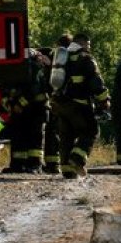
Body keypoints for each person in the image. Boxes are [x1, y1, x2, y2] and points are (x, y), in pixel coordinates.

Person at [51, 33, 109, 179]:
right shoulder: (85, 57)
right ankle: (77, 159)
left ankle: (67, 170)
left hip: (60, 104)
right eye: (88, 45)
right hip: (79, 104)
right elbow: (96, 81)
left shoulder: (61, 57)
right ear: (83, 43)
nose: (89, 48)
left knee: (66, 136)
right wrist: (104, 100)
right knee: (91, 130)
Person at [0, 48, 50, 174]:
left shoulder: (34, 69)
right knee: (18, 137)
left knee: (34, 138)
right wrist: (8, 103)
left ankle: (35, 165)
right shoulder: (11, 70)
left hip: (36, 109)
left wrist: (19, 104)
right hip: (21, 110)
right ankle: (17, 165)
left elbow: (33, 91)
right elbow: (3, 88)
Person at [42, 33, 72, 174]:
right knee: (64, 132)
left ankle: (52, 164)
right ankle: (60, 162)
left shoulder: (55, 57)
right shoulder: (73, 58)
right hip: (68, 101)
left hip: (55, 99)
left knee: (52, 131)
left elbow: (51, 80)